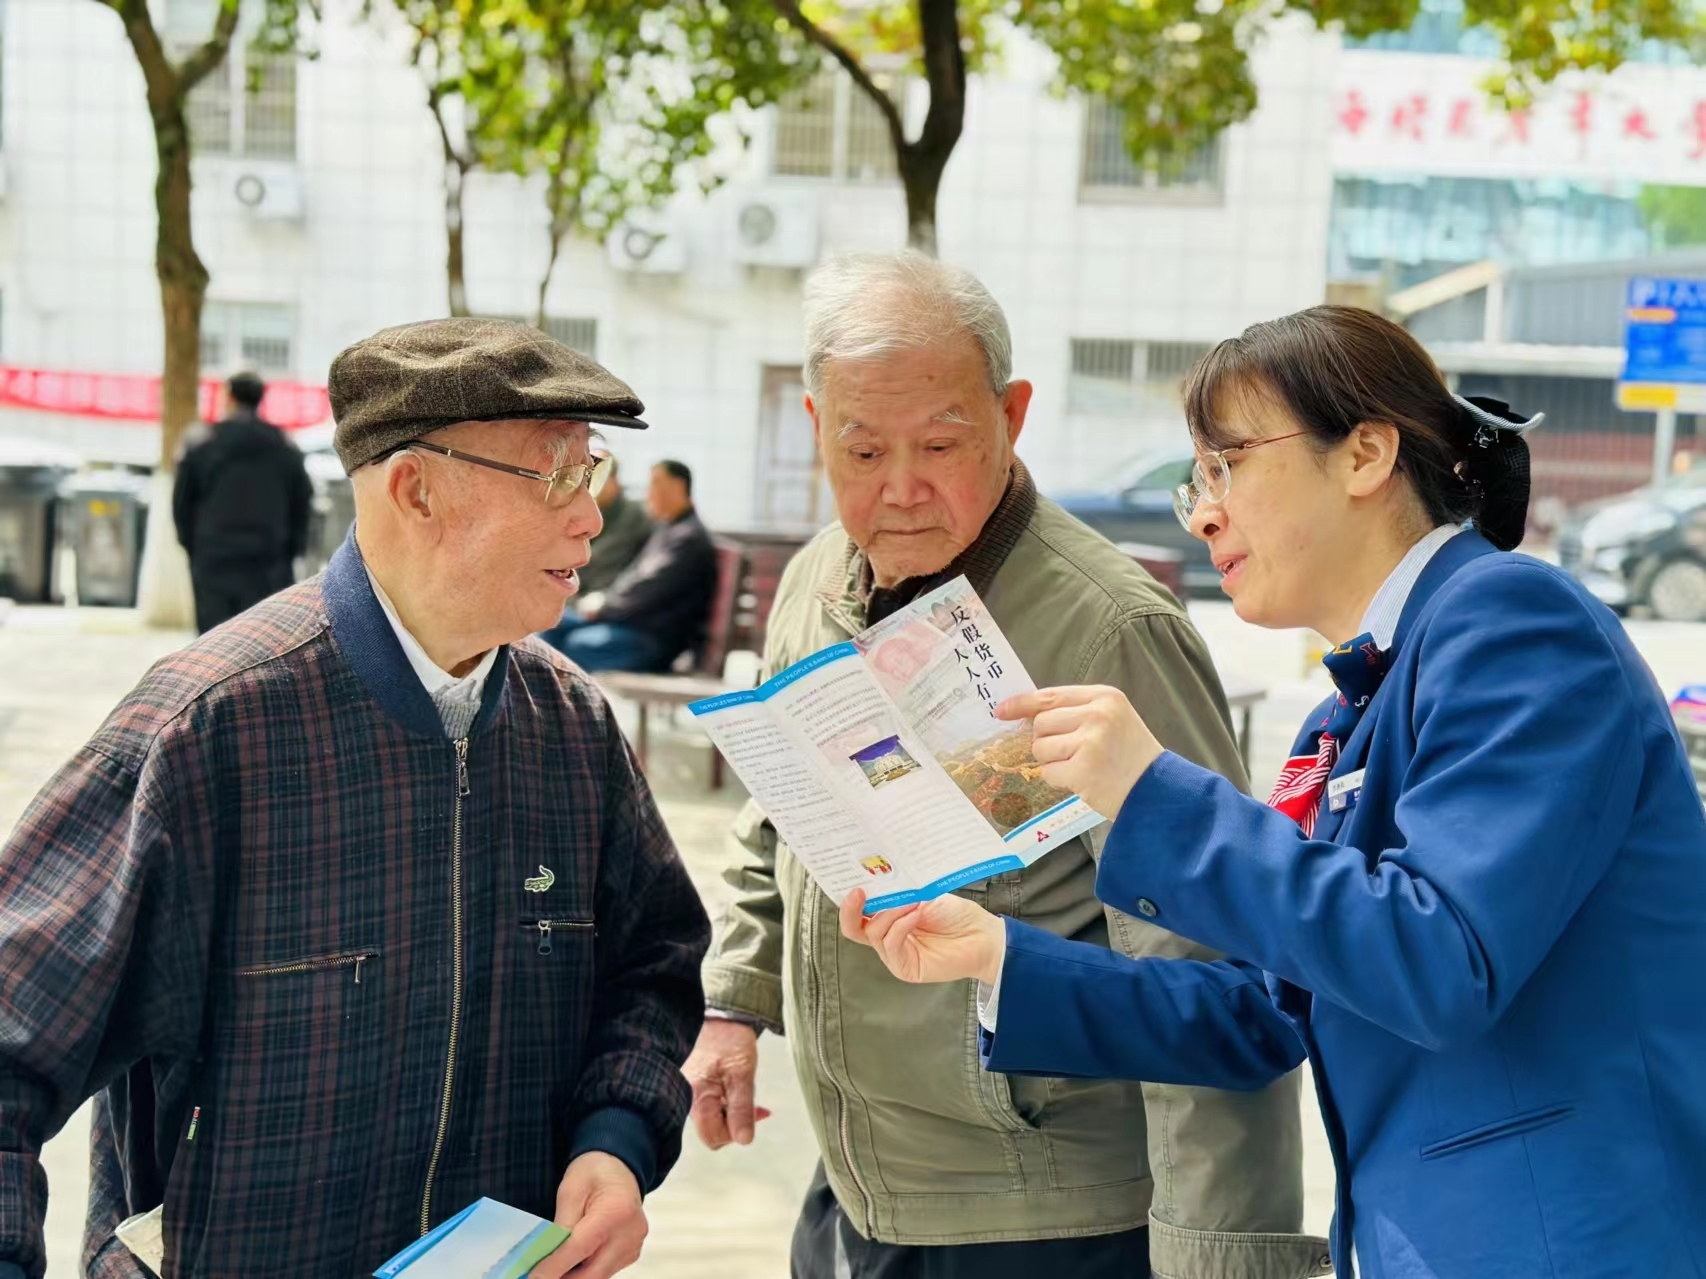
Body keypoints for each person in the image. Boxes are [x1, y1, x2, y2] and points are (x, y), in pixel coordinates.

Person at [841, 306, 1706, 1277]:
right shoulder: (1344, 712)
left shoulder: (1510, 622)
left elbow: (1441, 957)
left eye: (1228, 464)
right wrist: (1000, 956)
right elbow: (1262, 1010)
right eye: (1193, 481)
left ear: (1364, 454)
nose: (1205, 509)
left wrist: (1150, 790)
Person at [0, 318, 710, 1279]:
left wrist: (615, 1142)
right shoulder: (209, 730)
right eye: (556, 475)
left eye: (595, 473)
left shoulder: (571, 728)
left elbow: (653, 965)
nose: (590, 515)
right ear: (416, 488)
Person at [687, 252, 1329, 1279]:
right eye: (860, 450)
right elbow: (782, 817)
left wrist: (1224, 1257)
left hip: (1046, 1219)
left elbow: (1212, 975)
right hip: (859, 1181)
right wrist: (734, 1001)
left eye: (940, 443)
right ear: (814, 426)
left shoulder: (1108, 627)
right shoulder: (816, 581)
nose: (900, 489)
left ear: (1012, 413)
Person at [541, 460, 716, 673]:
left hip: (654, 640)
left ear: (678, 486)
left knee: (575, 645)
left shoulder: (687, 539)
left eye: (655, 484)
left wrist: (604, 607)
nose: (649, 493)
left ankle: (553, 699)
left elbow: (651, 587)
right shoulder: (668, 529)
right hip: (629, 624)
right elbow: (635, 575)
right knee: (552, 622)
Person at [171, 371, 313, 632]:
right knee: (261, 642)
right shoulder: (284, 447)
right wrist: (290, 551)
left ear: (229, 397)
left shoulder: (203, 443)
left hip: (214, 556)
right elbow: (302, 502)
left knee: (213, 642)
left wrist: (194, 547)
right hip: (267, 561)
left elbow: (182, 503)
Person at [578, 452, 653, 594]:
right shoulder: (592, 511)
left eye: (599, 479)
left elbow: (600, 557)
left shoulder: (635, 515)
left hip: (610, 598)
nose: (591, 486)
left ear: (614, 480)